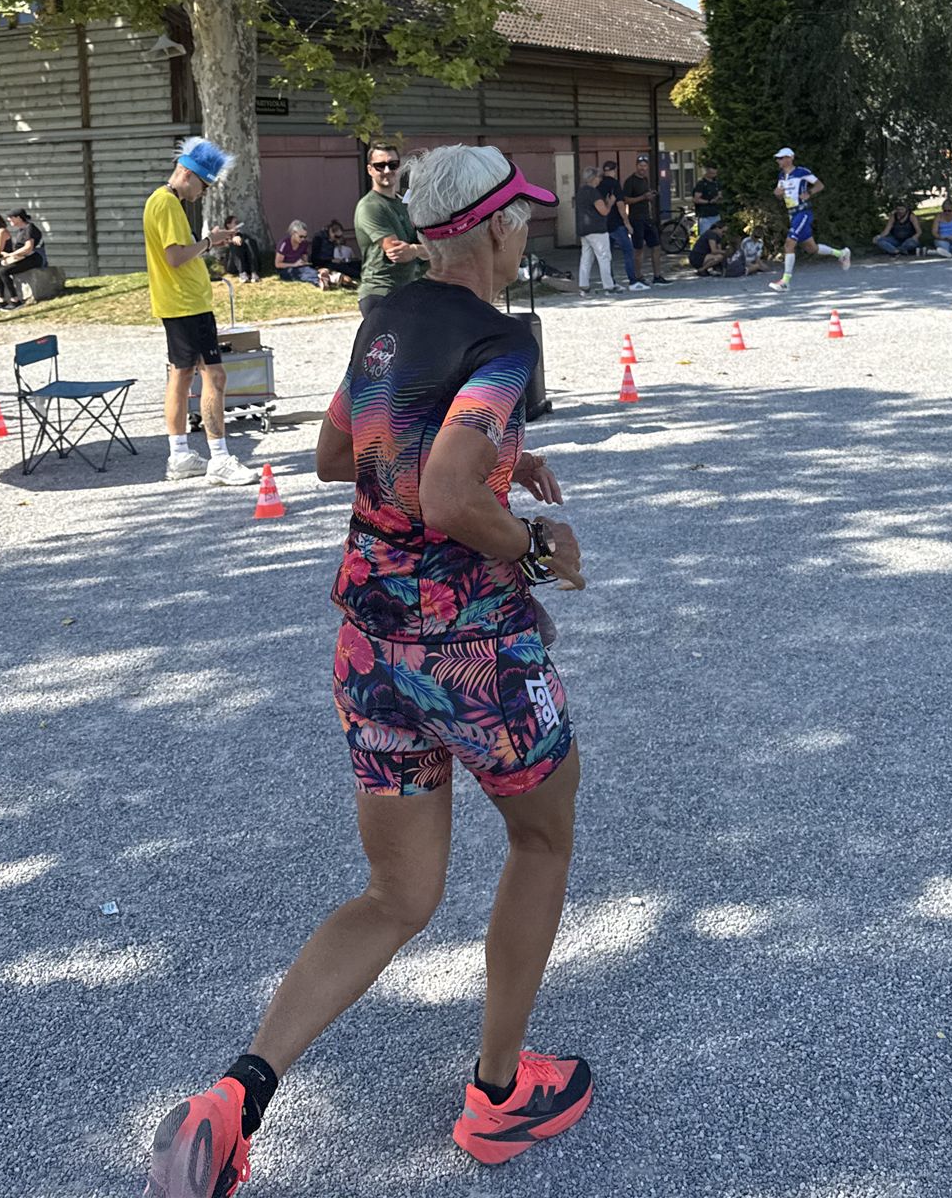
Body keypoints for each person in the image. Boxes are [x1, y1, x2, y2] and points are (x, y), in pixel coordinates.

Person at [144, 144, 592, 1197]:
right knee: (541, 840)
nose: (526, 230)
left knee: (396, 894)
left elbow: (338, 457)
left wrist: (501, 457)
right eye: (520, 218)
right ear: (491, 229)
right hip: (476, 655)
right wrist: (536, 544)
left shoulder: (382, 322)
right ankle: (497, 1097)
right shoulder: (503, 343)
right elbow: (445, 495)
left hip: (370, 648)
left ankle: (235, 1099)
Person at [142, 137, 257, 485]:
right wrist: (209, 242)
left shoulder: (162, 201)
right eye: (204, 185)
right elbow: (175, 256)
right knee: (214, 377)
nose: (203, 193)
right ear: (188, 174)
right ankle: (219, 458)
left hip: (178, 303)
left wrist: (210, 241)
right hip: (187, 303)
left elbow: (177, 252)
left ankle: (179, 456)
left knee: (181, 376)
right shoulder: (167, 204)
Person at [353, 143, 427, 319]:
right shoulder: (370, 206)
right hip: (380, 292)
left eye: (393, 165)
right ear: (370, 170)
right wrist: (421, 250)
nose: (387, 170)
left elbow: (432, 248)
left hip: (408, 291)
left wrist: (416, 250)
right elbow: (398, 253)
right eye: (380, 166)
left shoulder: (404, 204)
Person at [769, 146, 851, 290]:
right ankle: (841, 253)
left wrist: (809, 193)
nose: (778, 161)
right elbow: (779, 194)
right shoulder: (781, 175)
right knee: (811, 248)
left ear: (790, 158)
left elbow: (819, 185)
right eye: (777, 158)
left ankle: (785, 281)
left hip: (803, 212)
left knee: (789, 244)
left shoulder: (801, 172)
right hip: (792, 213)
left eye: (781, 158)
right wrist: (777, 193)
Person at [620, 155, 668, 285]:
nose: (643, 168)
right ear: (636, 166)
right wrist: (643, 197)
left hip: (648, 218)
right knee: (638, 248)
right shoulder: (630, 181)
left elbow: (646, 196)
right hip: (636, 218)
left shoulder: (645, 179)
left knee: (656, 246)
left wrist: (650, 196)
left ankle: (657, 276)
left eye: (645, 166)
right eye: (640, 165)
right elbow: (626, 200)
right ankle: (638, 276)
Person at [600, 160, 646, 290]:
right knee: (628, 251)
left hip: (603, 223)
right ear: (614, 170)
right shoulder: (615, 184)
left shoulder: (599, 184)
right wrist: (627, 223)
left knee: (607, 255)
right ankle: (633, 281)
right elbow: (620, 205)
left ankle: (610, 282)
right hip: (616, 223)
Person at [575, 166, 620, 294]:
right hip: (597, 229)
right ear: (594, 178)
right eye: (599, 177)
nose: (600, 179)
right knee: (604, 257)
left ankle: (583, 284)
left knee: (586, 258)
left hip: (584, 229)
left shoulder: (580, 192)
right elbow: (604, 211)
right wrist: (610, 203)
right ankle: (608, 285)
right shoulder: (593, 193)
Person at [0, 208, 47, 305]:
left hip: (35, 257)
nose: (8, 219)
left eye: (11, 217)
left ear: (19, 218)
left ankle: (15, 300)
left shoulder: (30, 228)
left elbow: (28, 248)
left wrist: (11, 255)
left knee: (4, 271)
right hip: (23, 257)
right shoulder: (21, 230)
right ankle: (1, 299)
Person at [310, 219, 360, 290]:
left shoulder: (331, 239)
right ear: (331, 232)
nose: (337, 240)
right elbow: (316, 257)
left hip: (330, 261)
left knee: (352, 264)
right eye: (337, 237)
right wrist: (331, 260)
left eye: (340, 237)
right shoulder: (319, 238)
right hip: (322, 264)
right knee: (343, 268)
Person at [275, 220, 324, 286]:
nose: (303, 239)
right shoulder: (284, 243)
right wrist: (294, 265)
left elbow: (305, 257)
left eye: (305, 237)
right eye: (301, 236)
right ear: (293, 233)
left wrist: (304, 262)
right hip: (285, 269)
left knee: (308, 270)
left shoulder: (304, 243)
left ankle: (323, 279)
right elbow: (278, 264)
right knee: (297, 274)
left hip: (299, 266)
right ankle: (321, 280)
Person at [692, 163, 722, 239]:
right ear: (707, 172)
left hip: (715, 213)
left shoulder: (716, 183)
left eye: (715, 173)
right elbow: (696, 199)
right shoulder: (701, 184)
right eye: (712, 173)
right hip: (705, 215)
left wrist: (719, 198)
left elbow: (719, 193)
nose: (714, 175)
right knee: (706, 236)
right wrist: (708, 201)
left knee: (717, 236)